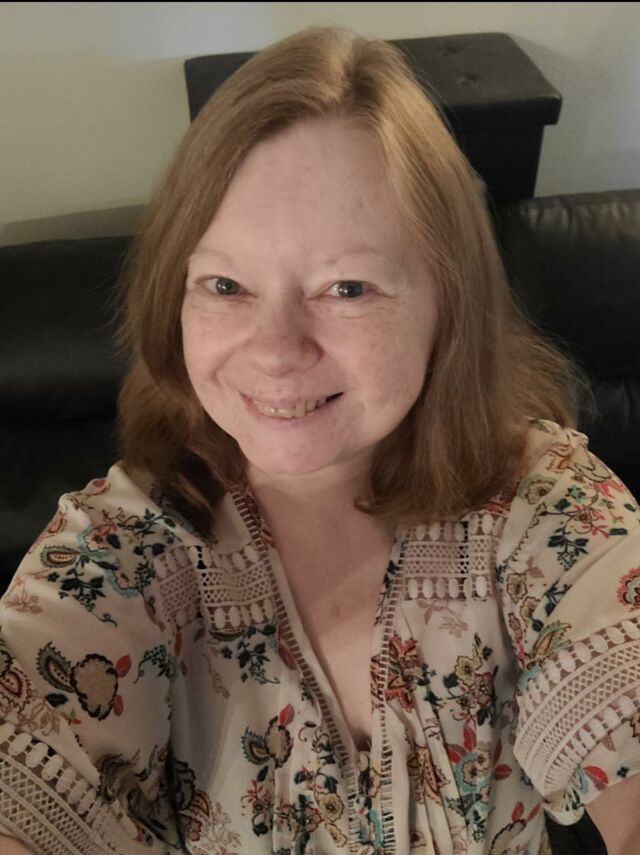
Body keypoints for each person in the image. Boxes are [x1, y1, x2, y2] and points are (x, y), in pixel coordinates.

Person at [1, 25, 640, 855]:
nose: (275, 351)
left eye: (347, 287)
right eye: (225, 283)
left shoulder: (545, 507)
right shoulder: (122, 554)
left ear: (449, 305)